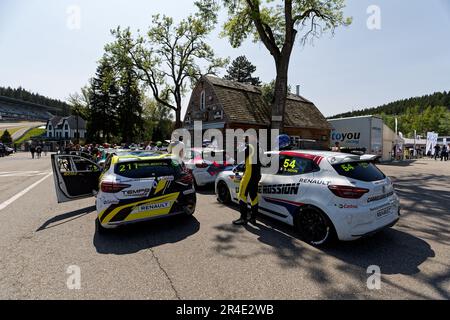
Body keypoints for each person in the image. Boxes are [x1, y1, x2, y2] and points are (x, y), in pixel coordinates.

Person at [233, 134, 262, 226]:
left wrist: (239, 148)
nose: (245, 140)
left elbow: (238, 157)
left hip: (249, 176)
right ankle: (253, 219)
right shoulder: (260, 148)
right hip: (256, 175)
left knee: (242, 196)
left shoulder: (250, 147)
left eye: (246, 138)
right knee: (254, 197)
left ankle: (243, 218)